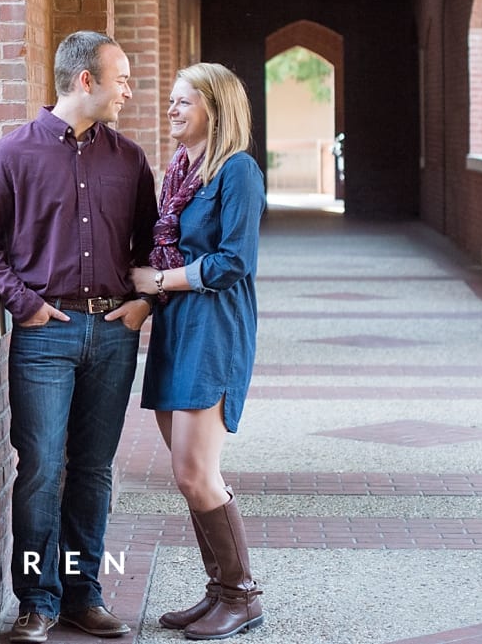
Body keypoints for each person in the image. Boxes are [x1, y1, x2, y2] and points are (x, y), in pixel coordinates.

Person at [0, 31, 158, 643]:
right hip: (46, 335)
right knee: (43, 466)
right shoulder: (12, 155)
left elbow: (154, 244)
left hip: (113, 333)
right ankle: (36, 602)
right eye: (121, 77)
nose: (130, 88)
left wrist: (143, 304)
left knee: (94, 468)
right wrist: (26, 304)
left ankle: (83, 596)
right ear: (85, 81)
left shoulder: (129, 159)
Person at [130, 62, 265, 641]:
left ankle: (243, 595)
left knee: (196, 471)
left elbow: (235, 260)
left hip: (214, 325)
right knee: (189, 474)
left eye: (184, 102)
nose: (172, 110)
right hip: (176, 324)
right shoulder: (180, 172)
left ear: (215, 107)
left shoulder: (237, 172)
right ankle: (219, 592)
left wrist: (157, 285)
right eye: (172, 101)